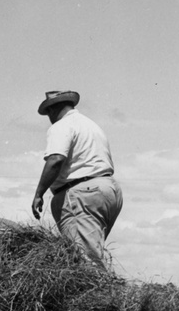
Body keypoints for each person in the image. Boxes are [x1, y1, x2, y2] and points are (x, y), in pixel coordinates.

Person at [31, 90, 123, 265]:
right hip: (108, 189)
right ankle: (105, 289)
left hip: (82, 193)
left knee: (85, 260)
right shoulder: (91, 125)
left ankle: (100, 292)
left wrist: (39, 193)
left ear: (53, 109)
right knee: (93, 252)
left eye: (48, 112)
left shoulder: (61, 126)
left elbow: (56, 159)